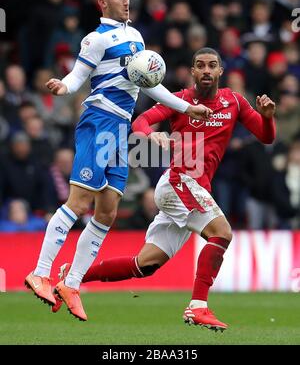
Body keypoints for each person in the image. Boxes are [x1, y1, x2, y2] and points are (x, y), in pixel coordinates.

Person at [24, 0, 212, 322]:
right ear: (103, 3)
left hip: (121, 128)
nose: (127, 1)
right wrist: (62, 87)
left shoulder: (137, 38)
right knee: (79, 202)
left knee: (108, 211)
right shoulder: (95, 40)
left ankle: (73, 283)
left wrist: (188, 107)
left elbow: (151, 87)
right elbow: (78, 76)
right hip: (99, 122)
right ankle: (40, 271)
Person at [52, 47, 276, 330]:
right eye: (200, 66)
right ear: (192, 72)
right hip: (180, 181)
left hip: (194, 188)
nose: (206, 70)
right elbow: (140, 121)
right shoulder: (179, 100)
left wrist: (267, 117)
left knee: (145, 264)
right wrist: (151, 134)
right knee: (222, 233)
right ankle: (198, 307)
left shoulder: (235, 101)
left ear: (221, 71)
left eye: (212, 66)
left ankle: (73, 275)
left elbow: (266, 137)